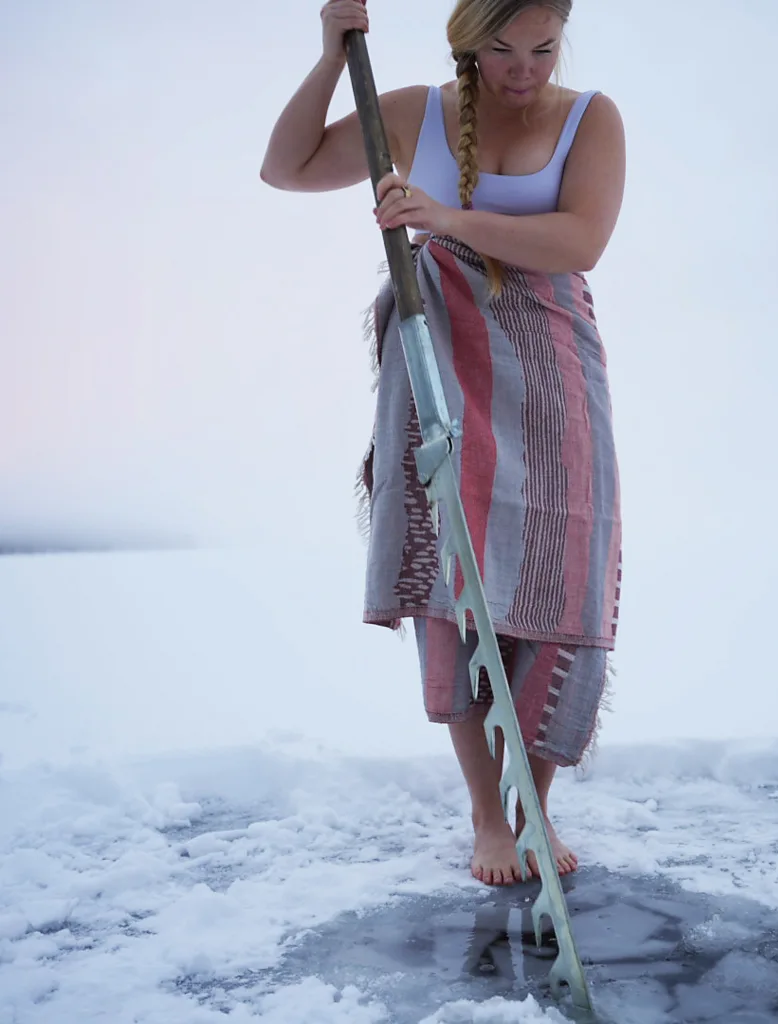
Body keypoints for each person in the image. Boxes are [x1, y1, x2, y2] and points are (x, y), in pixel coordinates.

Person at [261, 0, 625, 887]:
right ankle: (487, 818)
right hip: (442, 361)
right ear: (468, 42)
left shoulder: (590, 117)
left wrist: (447, 219)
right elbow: (287, 168)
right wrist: (327, 58)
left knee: (561, 576)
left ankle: (533, 806)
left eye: (542, 47)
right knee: (457, 584)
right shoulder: (416, 112)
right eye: (503, 50)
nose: (525, 68)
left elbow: (582, 239)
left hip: (553, 371)